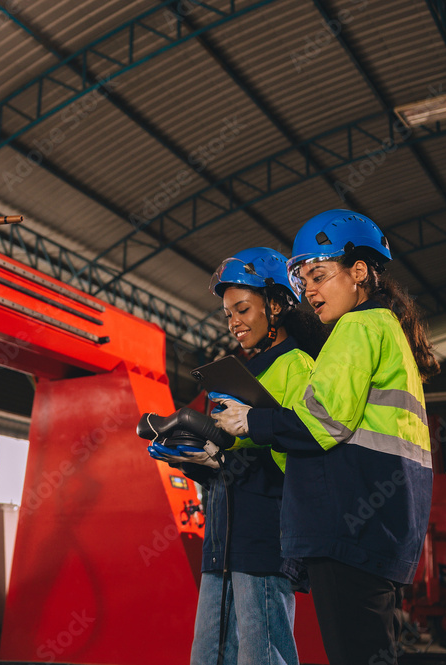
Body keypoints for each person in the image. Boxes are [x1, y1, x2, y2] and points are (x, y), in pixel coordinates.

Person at [212, 210, 439, 665]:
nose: (309, 291)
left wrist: (250, 422)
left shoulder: (356, 327)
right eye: (304, 280)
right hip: (383, 521)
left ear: (358, 273)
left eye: (318, 275)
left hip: (350, 522)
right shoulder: (386, 328)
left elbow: (323, 420)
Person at [150, 247, 327, 665]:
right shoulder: (241, 378)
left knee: (262, 655)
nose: (234, 323)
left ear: (279, 305)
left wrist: (255, 433)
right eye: (228, 314)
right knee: (209, 655)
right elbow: (237, 457)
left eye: (243, 309)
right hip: (224, 541)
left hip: (266, 539)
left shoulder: (297, 365)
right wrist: (200, 463)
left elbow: (307, 444)